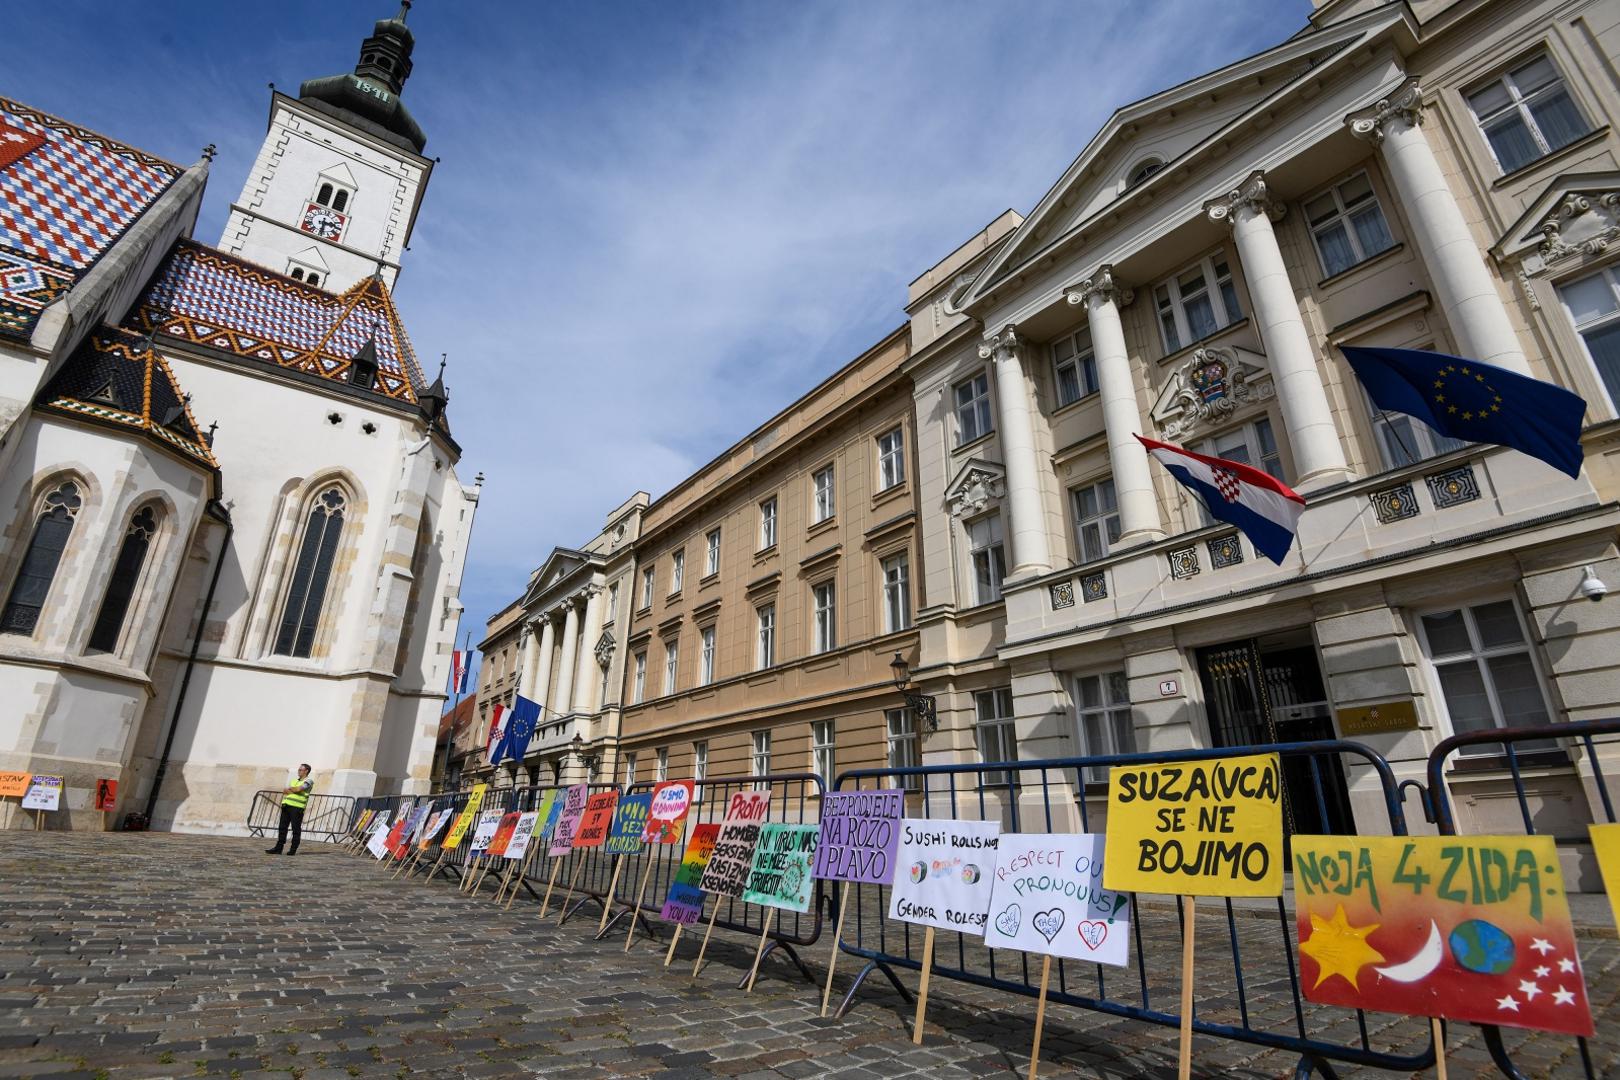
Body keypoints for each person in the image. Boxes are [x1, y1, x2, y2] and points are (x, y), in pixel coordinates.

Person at [266, 764, 314, 855]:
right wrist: (293, 789)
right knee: (282, 827)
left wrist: (293, 790)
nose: (298, 771)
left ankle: (293, 849)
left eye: (300, 770)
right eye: (298, 770)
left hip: (297, 808)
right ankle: (278, 848)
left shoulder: (309, 781)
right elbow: (285, 791)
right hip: (286, 806)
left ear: (306, 771)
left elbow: (299, 789)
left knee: (295, 829)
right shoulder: (294, 780)